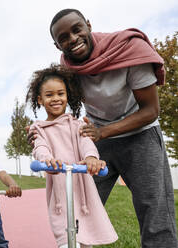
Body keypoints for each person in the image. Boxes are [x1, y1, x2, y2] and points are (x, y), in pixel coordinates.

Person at [45, 8, 177, 247]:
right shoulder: (68, 71)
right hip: (97, 141)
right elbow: (62, 109)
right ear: (57, 45)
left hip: (140, 134)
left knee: (154, 209)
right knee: (79, 207)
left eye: (77, 29)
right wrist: (43, 131)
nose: (72, 39)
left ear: (88, 25)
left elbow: (150, 110)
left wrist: (103, 132)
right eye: (63, 37)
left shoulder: (129, 50)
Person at [26, 64, 118, 248]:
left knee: (85, 239)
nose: (56, 99)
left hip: (82, 189)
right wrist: (46, 161)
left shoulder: (76, 125)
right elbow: (40, 147)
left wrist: (91, 158)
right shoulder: (38, 129)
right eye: (49, 95)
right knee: (66, 240)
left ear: (67, 96)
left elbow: (86, 143)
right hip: (60, 189)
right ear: (40, 100)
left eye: (60, 93)